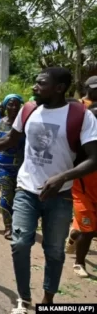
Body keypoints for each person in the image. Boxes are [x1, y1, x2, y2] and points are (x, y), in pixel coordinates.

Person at [0, 68, 97, 313]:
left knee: (54, 251)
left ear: (59, 88)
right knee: (19, 243)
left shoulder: (81, 116)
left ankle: (48, 300)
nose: (34, 87)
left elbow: (94, 158)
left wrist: (63, 177)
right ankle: (23, 298)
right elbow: (11, 139)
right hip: (27, 190)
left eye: (41, 83)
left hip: (60, 195)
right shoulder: (28, 110)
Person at [0, 94, 25, 240]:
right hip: (2, 165)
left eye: (17, 104)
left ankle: (19, 224)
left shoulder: (25, 124)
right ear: (4, 106)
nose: (14, 107)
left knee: (19, 198)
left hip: (22, 167)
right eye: (10, 104)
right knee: (6, 194)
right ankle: (8, 226)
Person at [68, 104, 97, 278]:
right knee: (88, 231)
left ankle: (73, 235)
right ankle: (79, 263)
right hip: (81, 193)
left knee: (90, 230)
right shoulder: (79, 144)